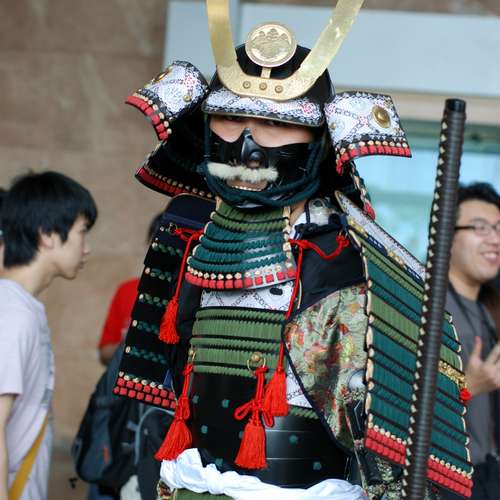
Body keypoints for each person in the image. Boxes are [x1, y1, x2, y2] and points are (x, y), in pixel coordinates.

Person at [117, 3, 472, 499]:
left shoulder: (348, 263)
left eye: (276, 123)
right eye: (230, 118)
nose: (248, 143)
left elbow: (391, 443)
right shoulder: (191, 243)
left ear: (320, 138)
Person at [0, 171, 97, 500]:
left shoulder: (23, 308)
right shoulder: (13, 314)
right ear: (46, 235)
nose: (86, 248)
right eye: (82, 232)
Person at [444, 182, 500, 500]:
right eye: (480, 228)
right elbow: (399, 404)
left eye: (499, 228)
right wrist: (466, 387)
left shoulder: (487, 310)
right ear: (447, 237)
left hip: (487, 474)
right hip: (446, 479)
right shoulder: (428, 309)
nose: (495, 239)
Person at [98, 213, 163, 366]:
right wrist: (130, 341)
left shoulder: (190, 295)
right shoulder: (127, 290)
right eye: (155, 245)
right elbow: (105, 352)